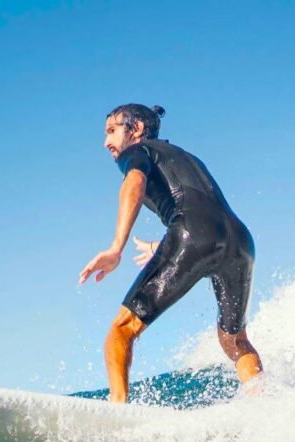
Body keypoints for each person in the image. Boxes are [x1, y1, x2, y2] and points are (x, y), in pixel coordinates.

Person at [78, 104, 264, 403]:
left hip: (192, 235)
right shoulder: (185, 156)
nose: (106, 143)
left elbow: (134, 184)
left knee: (120, 331)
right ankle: (262, 402)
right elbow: (205, 211)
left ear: (136, 129)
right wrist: (163, 245)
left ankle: (117, 412)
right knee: (234, 339)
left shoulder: (136, 152)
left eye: (112, 131)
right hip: (240, 242)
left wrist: (117, 247)